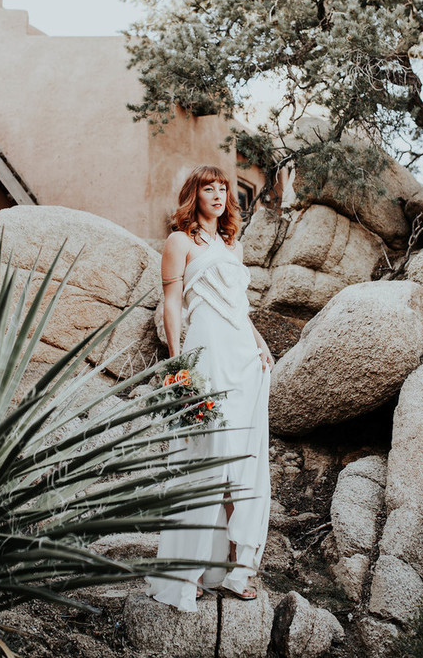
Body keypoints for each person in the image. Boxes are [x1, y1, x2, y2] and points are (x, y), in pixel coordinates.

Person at [145, 164, 273, 612]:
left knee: (246, 459)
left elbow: (240, 309)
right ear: (193, 195)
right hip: (206, 355)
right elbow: (172, 305)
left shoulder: (233, 247)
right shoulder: (178, 242)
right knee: (205, 455)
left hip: (242, 356)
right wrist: (178, 364)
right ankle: (188, 569)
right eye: (208, 188)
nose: (218, 195)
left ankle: (240, 571)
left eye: (224, 189)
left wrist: (261, 347)